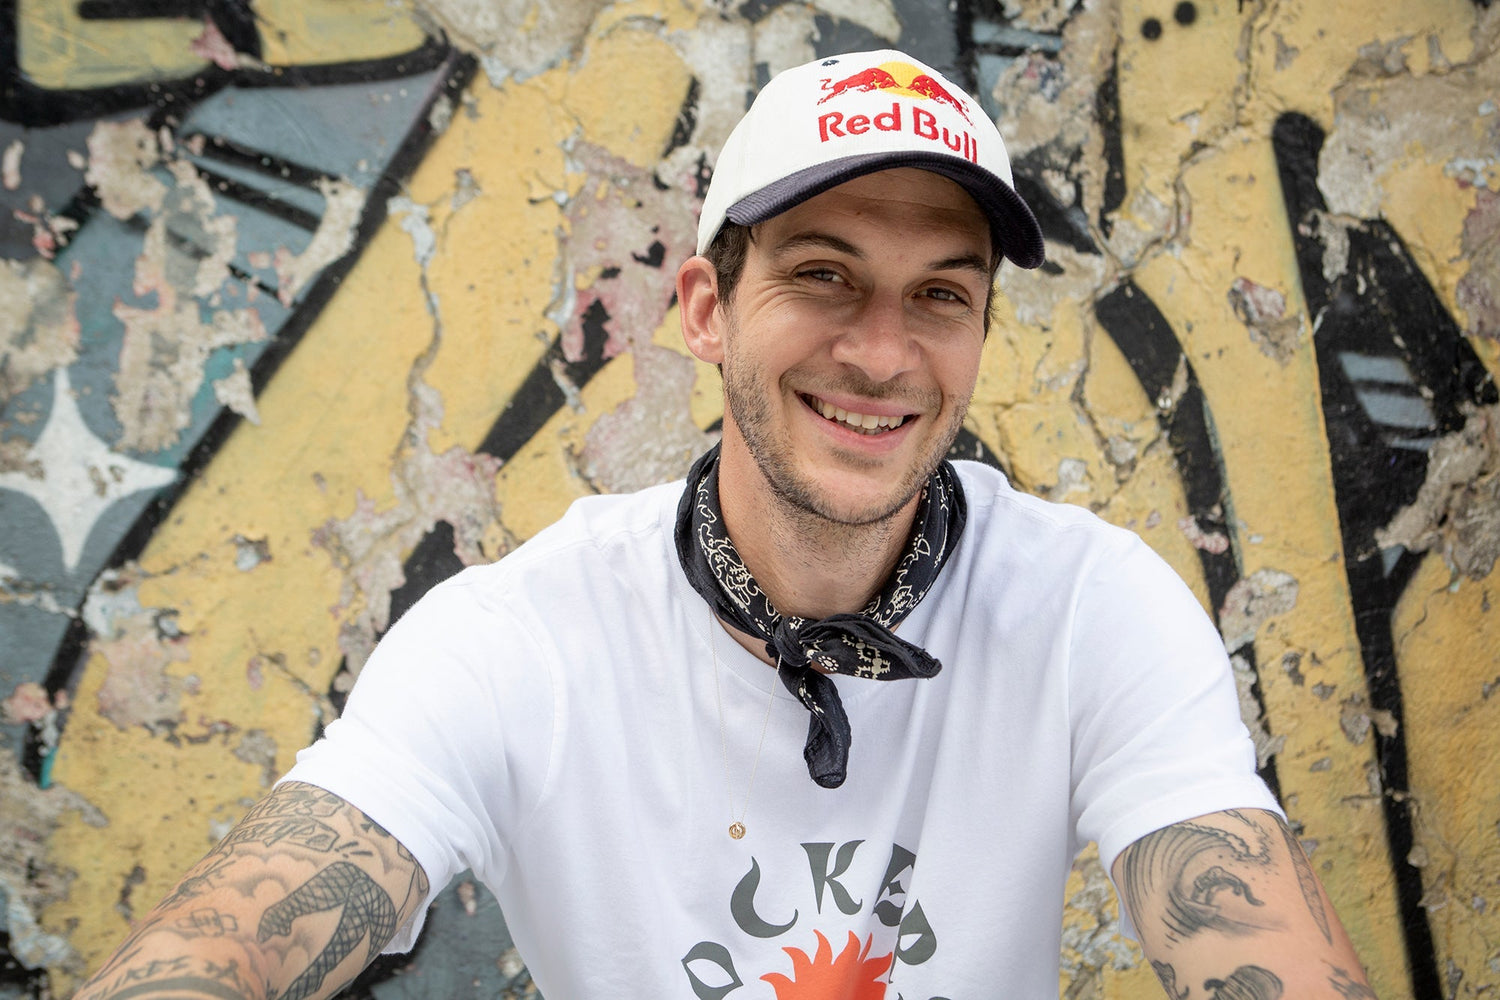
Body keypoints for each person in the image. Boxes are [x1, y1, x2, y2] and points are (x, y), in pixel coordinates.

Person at [75, 49, 1374, 1000]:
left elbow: (1250, 936)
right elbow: (234, 940)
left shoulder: (1093, 604)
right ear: (704, 307)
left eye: (940, 294)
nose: (882, 351)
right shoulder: (525, 636)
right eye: (822, 276)